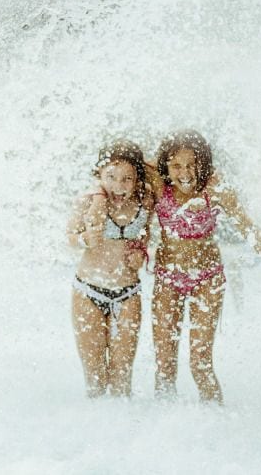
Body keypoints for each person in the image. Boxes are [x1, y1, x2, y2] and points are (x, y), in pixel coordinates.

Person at [147, 129, 261, 403]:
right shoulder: (159, 184)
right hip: (167, 277)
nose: (184, 172)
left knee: (200, 363)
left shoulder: (214, 189)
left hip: (207, 278)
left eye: (192, 164)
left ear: (203, 163)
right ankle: (164, 434)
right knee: (164, 364)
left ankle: (214, 425)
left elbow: (252, 232)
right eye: (176, 165)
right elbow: (120, 162)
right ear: (166, 165)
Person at [67, 140, 153, 397]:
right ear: (99, 174)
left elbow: (144, 234)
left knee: (121, 376)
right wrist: (84, 240)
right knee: (95, 376)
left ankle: (122, 431)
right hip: (88, 292)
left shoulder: (146, 199)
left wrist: (141, 251)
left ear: (138, 179)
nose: (119, 185)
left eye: (128, 178)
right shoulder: (87, 201)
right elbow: (70, 235)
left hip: (127, 294)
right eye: (111, 177)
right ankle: (95, 432)